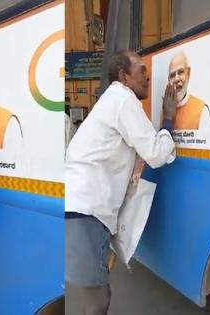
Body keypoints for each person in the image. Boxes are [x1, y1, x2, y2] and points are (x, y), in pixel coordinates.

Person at [65, 50, 177, 315]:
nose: (147, 77)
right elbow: (157, 153)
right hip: (86, 209)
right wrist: (169, 119)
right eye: (141, 71)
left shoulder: (111, 100)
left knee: (95, 295)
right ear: (124, 76)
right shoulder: (124, 101)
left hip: (81, 206)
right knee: (99, 299)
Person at [167, 51, 210, 130]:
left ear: (188, 73)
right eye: (172, 75)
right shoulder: (165, 111)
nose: (176, 79)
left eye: (180, 72)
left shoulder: (201, 109)